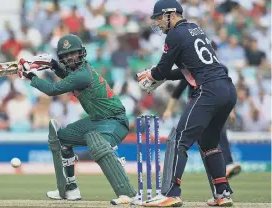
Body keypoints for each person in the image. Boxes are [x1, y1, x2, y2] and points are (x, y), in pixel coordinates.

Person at [18, 34, 140, 206]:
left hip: (116, 121)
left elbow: (52, 89)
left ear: (81, 53)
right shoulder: (78, 72)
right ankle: (70, 189)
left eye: (73, 54)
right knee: (61, 139)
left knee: (98, 145)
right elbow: (67, 75)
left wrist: (32, 77)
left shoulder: (82, 74)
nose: (69, 58)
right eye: (65, 56)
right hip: (97, 120)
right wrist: (53, 65)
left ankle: (128, 194)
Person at [136, 0, 237, 207]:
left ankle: (171, 193)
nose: (158, 23)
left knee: (179, 139)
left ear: (170, 14)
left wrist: (151, 75)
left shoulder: (175, 34)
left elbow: (162, 70)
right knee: (209, 143)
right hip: (227, 89)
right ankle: (222, 193)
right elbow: (186, 70)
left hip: (208, 90)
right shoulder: (195, 29)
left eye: (158, 18)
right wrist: (158, 76)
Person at [163, 41, 242, 181]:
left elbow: (226, 87)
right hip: (196, 107)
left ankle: (223, 173)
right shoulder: (194, 67)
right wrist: (168, 109)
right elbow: (178, 90)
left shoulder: (221, 68)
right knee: (203, 142)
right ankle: (220, 179)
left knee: (214, 138)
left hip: (213, 105)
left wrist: (232, 111)